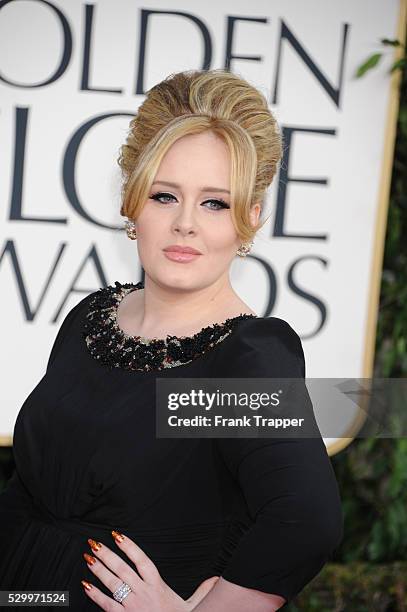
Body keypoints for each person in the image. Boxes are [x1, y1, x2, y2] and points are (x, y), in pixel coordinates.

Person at [0, 69, 343, 611]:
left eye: (215, 203)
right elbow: (30, 491)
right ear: (132, 203)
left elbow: (304, 520)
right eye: (165, 196)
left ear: (250, 218)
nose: (185, 223)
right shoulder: (90, 318)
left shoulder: (242, 360)